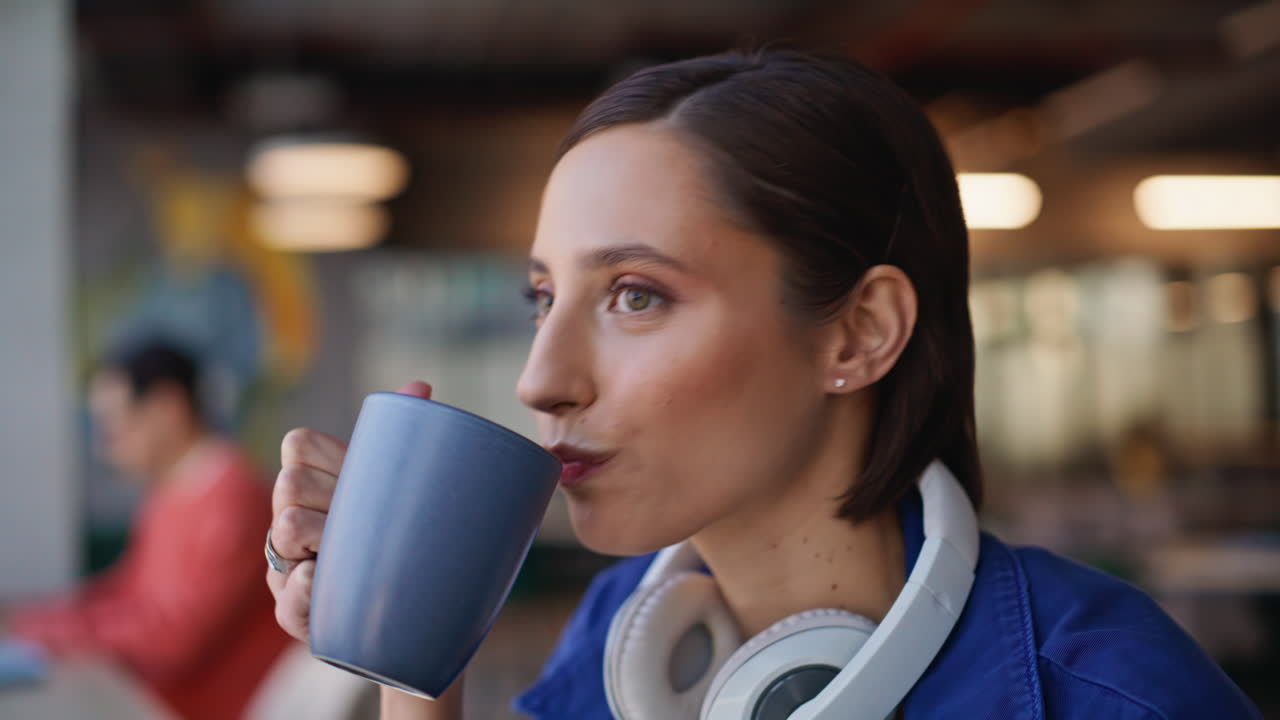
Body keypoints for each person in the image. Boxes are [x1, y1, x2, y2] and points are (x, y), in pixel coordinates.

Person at [263, 49, 1262, 719]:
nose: (540, 378)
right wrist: (409, 656)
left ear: (858, 332)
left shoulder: (1106, 693)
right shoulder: (611, 648)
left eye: (635, 296)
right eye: (542, 296)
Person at [4, 339, 290, 720]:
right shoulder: (170, 490)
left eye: (116, 425)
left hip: (205, 707)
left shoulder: (235, 499)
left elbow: (176, 639)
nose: (107, 445)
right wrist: (31, 620)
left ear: (167, 408)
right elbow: (128, 592)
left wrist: (38, 628)